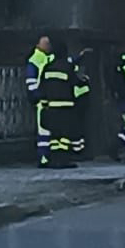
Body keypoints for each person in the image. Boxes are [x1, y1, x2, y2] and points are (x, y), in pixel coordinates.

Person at [42, 38, 78, 169]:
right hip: (66, 106)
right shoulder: (68, 67)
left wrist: (45, 104)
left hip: (52, 106)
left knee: (54, 136)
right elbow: (74, 84)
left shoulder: (48, 67)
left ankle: (54, 159)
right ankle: (64, 160)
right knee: (65, 136)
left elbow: (43, 87)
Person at [24, 35, 54, 168]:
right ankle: (43, 157)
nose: (48, 46)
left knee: (51, 130)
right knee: (43, 131)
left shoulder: (49, 58)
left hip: (51, 99)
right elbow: (31, 82)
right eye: (45, 43)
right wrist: (37, 96)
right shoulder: (34, 60)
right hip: (42, 101)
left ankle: (50, 156)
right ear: (38, 45)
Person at [70, 48, 94, 160]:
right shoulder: (76, 67)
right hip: (78, 99)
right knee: (77, 127)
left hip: (79, 99)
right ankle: (78, 151)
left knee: (79, 127)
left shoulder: (76, 67)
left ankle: (79, 151)